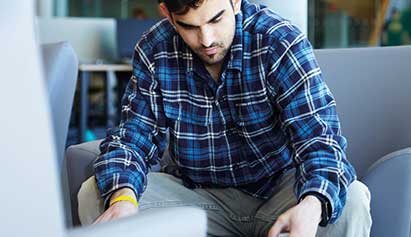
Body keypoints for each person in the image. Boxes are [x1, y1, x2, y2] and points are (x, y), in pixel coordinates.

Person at [78, 0, 372, 236]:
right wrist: (124, 199)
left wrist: (312, 204)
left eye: (215, 19)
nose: (206, 40)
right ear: (167, 14)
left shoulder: (279, 41)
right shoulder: (155, 49)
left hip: (280, 193)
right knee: (95, 194)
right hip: (198, 197)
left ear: (235, 2)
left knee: (351, 200)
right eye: (189, 26)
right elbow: (132, 138)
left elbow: (320, 140)